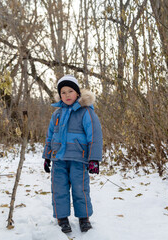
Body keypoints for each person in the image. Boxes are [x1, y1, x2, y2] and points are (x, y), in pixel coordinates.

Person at [42, 75, 103, 233]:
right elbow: (50, 136)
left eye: (70, 91)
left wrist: (94, 159)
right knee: (58, 189)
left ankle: (84, 218)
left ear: (77, 93)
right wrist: (47, 156)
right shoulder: (56, 114)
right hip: (59, 159)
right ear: (59, 95)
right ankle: (62, 218)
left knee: (80, 189)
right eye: (63, 92)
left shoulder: (85, 112)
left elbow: (94, 136)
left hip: (78, 159)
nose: (67, 95)